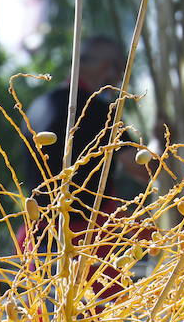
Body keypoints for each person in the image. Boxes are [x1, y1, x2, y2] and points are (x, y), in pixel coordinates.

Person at [23, 35, 152, 298]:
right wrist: (160, 141)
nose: (119, 80)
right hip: (88, 244)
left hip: (38, 240)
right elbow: (144, 170)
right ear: (108, 69)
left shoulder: (37, 107)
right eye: (119, 69)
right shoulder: (97, 112)